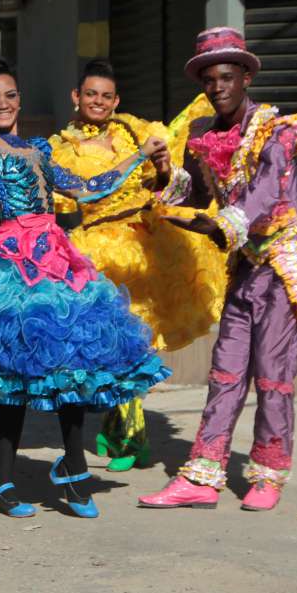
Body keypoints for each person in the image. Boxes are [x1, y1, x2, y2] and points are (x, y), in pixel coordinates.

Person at [0, 54, 171, 521]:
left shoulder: (40, 150)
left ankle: (62, 470)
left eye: (9, 95)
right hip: (14, 266)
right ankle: (10, 481)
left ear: (19, 99)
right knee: (19, 374)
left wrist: (139, 156)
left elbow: (87, 188)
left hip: (57, 259)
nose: (2, 104)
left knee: (71, 363)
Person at [139, 28, 297, 512]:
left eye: (226, 77)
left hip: (287, 263)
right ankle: (203, 475)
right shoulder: (206, 135)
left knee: (273, 376)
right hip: (246, 264)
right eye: (209, 80)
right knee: (226, 372)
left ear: (245, 76)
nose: (217, 87)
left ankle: (269, 474)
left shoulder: (276, 129)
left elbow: (269, 186)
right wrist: (167, 173)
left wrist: (226, 223)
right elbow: (197, 199)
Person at [49, 59, 227, 472]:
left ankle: (130, 435)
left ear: (116, 100)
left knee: (138, 339)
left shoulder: (134, 128)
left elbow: (170, 183)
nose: (98, 101)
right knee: (116, 342)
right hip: (101, 250)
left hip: (150, 244)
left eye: (106, 96)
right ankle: (121, 430)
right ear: (76, 97)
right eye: (91, 94)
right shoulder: (60, 148)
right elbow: (83, 196)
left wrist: (164, 167)